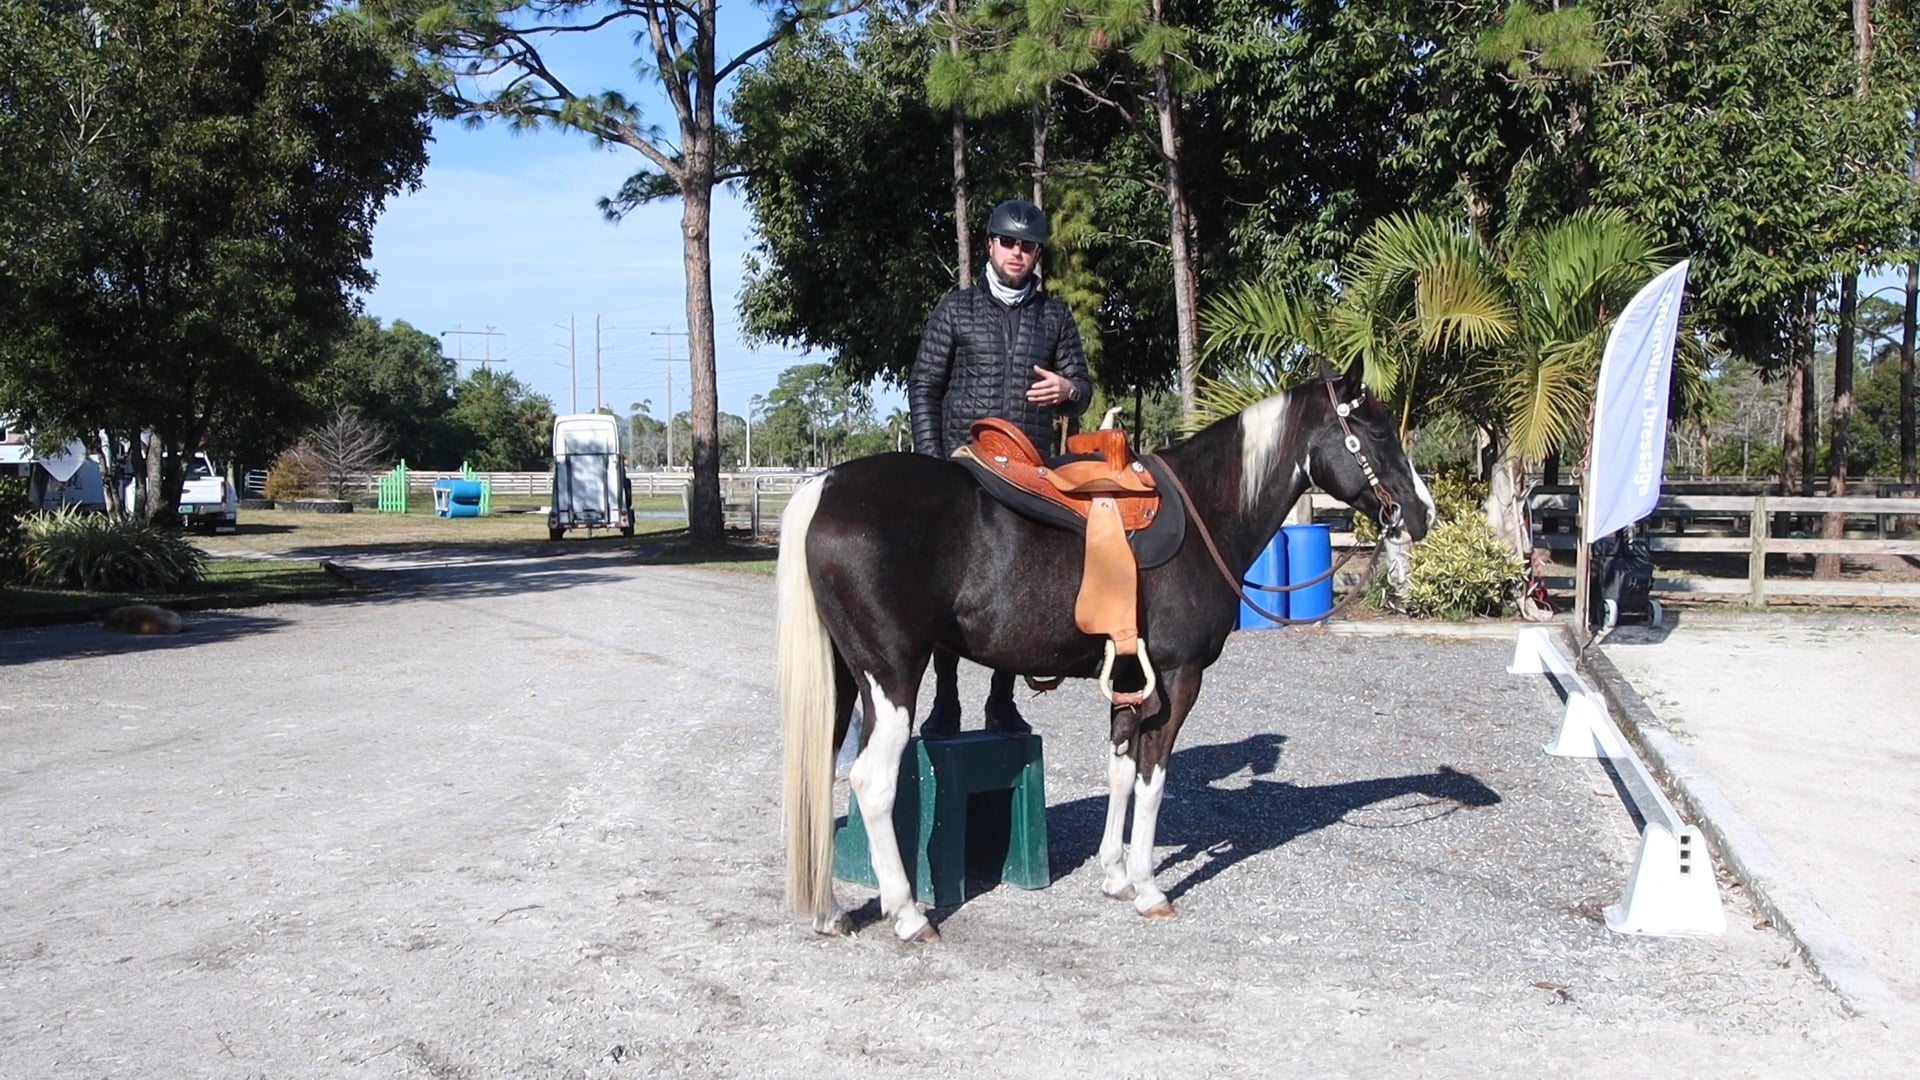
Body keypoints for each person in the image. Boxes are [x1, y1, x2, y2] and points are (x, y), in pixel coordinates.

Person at [909, 198, 1094, 740]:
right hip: (962, 465)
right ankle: (945, 699)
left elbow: (1082, 389)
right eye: (1008, 242)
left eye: (1028, 246)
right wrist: (931, 462)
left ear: (1038, 253)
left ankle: (1002, 699)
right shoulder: (955, 311)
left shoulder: (1054, 316)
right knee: (946, 583)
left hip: (1029, 468)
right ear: (990, 244)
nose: (1018, 252)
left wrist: (1068, 391)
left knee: (1021, 585)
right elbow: (925, 387)